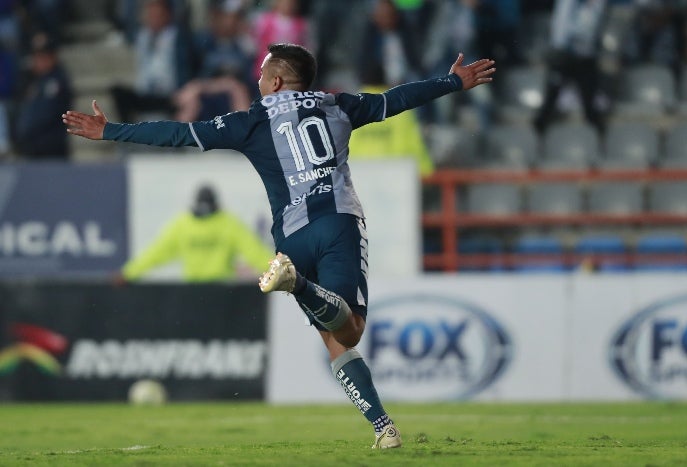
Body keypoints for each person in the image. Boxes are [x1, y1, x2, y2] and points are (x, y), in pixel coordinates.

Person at [63, 42, 495, 449]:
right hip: (338, 223)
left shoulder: (250, 120)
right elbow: (398, 99)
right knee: (352, 328)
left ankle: (383, 427)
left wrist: (111, 131)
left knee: (336, 339)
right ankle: (301, 289)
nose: (257, 83)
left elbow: (178, 133)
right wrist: (453, 82)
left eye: (262, 75)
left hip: (291, 238)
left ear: (275, 83)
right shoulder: (339, 104)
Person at [115, 184, 274, 284]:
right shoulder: (228, 223)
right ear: (216, 204)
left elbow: (155, 253)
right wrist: (279, 272)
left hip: (194, 291)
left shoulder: (183, 225)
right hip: (221, 291)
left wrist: (128, 273)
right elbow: (255, 253)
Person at [533, 0, 608, 135]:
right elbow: (561, 24)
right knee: (550, 99)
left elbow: (595, 25)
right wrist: (561, 48)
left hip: (586, 56)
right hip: (565, 55)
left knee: (590, 102)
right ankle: (537, 136)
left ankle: (598, 138)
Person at [15, 33, 72, 159]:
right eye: (36, 57)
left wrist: (27, 131)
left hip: (50, 148)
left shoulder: (57, 81)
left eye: (42, 57)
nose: (37, 61)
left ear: (51, 57)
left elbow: (46, 113)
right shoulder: (36, 81)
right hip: (34, 147)